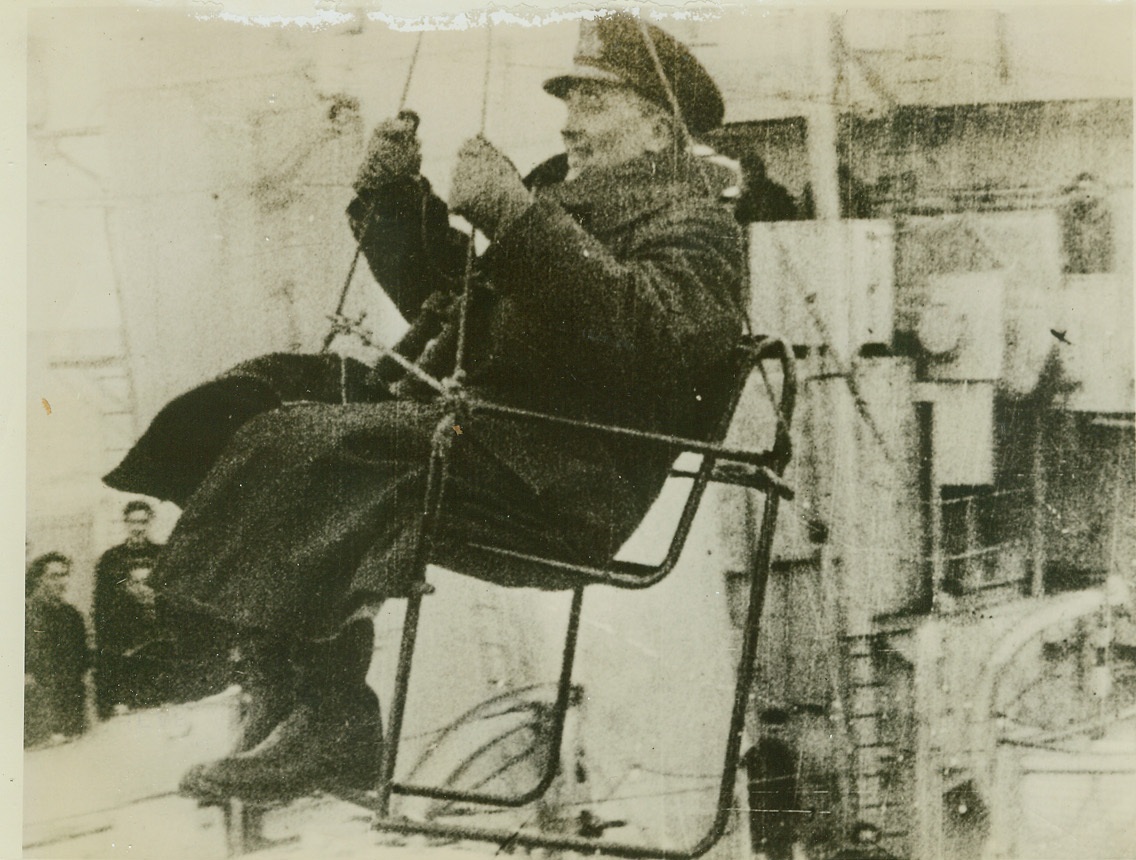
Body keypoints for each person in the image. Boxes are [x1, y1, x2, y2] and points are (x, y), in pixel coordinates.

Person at [104, 13, 746, 802]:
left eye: (594, 101)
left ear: (657, 130)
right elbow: (460, 310)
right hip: (501, 445)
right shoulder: (577, 208)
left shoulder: (695, 226)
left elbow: (653, 340)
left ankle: (327, 716)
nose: (569, 122)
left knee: (310, 443)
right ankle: (291, 690)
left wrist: (519, 220)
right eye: (569, 100)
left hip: (563, 482)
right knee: (249, 405)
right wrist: (395, 199)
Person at [92, 500, 165, 716]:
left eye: (143, 522)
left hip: (157, 641)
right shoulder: (111, 559)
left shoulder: (162, 555)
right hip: (126, 641)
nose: (138, 528)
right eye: (133, 522)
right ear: (125, 523)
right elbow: (102, 606)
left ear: (150, 522)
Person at [25, 553, 91, 747]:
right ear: (39, 579)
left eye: (64, 575)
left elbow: (82, 661)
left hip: (72, 709)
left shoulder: (72, 615)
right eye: (54, 576)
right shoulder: (26, 615)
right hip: (39, 712)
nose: (62, 582)